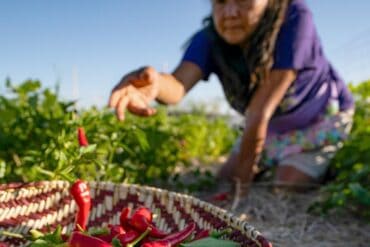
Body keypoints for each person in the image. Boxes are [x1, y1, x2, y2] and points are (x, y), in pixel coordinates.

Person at [108, 0, 354, 194]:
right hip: (272, 129)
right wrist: (154, 82)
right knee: (223, 178)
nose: (231, 12)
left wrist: (241, 191)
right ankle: (276, 162)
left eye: (243, 0)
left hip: (319, 119)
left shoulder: (294, 17)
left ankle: (323, 165)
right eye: (221, 2)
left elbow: (259, 113)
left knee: (284, 186)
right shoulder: (208, 38)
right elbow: (178, 84)